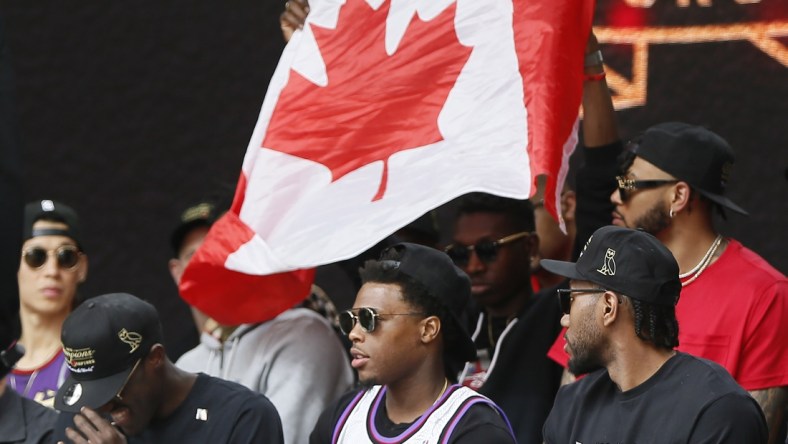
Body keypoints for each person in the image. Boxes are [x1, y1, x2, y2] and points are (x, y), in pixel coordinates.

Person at [547, 122, 788, 443]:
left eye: (629, 183)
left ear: (678, 195)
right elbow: (571, 404)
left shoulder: (765, 293)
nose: (615, 196)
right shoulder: (604, 282)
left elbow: (755, 431)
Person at [540, 225, 768, 443]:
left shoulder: (716, 410)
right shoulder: (572, 404)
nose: (564, 318)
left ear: (608, 307)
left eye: (569, 299)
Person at [173, 203, 354, 444]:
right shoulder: (185, 365)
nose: (208, 262)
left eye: (217, 248)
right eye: (195, 256)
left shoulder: (303, 333)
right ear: (178, 272)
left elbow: (285, 438)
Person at [310, 242, 515, 443]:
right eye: (350, 320)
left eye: (369, 319)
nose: (354, 334)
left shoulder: (476, 432)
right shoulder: (341, 416)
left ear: (428, 330)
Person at [53, 292, 284, 443]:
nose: (104, 405)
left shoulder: (241, 417)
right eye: (91, 393)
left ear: (155, 358)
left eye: (113, 389)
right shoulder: (83, 420)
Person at [10, 200, 88, 407]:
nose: (52, 271)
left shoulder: (96, 360)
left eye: (66, 257)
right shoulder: (4, 361)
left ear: (82, 267)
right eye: (35, 257)